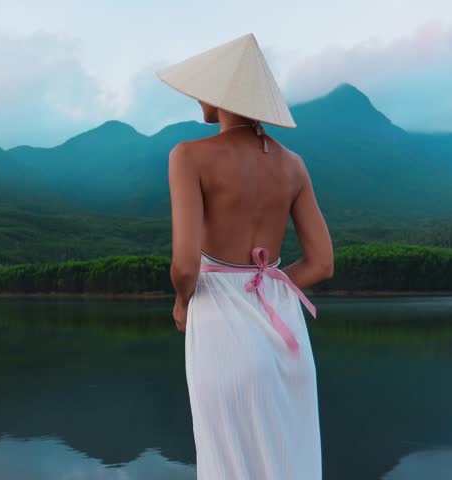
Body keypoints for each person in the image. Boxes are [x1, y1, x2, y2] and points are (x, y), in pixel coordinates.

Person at [157, 33, 334, 479]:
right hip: (285, 325)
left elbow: (184, 265)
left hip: (220, 321)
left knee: (229, 462)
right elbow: (321, 264)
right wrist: (267, 285)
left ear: (221, 95)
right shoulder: (294, 165)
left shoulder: (188, 156)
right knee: (288, 462)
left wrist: (182, 302)